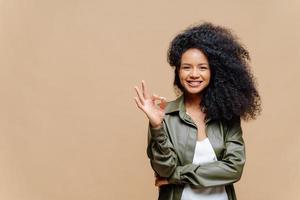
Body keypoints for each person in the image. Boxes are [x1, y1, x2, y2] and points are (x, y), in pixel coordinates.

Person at [133, 22, 261, 200]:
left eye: (202, 67)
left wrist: (177, 176)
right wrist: (157, 126)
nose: (194, 74)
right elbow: (164, 169)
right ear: (178, 72)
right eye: (187, 67)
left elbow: (234, 169)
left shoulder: (228, 115)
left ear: (213, 72)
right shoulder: (164, 114)